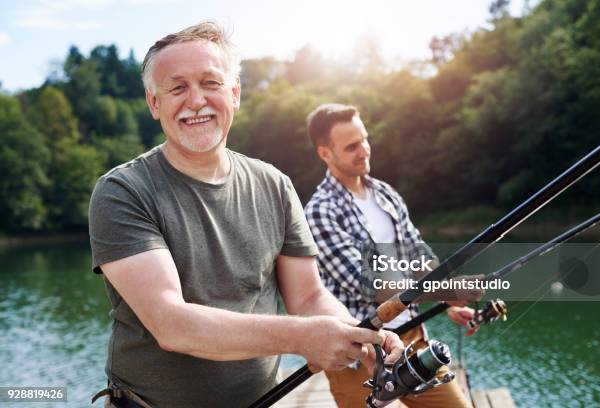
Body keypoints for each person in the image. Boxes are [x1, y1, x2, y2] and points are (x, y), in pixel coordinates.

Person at [88, 23, 403, 408]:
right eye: (177, 87)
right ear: (154, 104)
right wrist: (304, 337)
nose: (196, 100)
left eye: (211, 83)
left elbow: (308, 296)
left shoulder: (275, 185)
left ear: (234, 93)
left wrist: (354, 332)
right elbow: (172, 325)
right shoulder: (122, 191)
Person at [304, 103, 483, 408]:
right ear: (325, 154)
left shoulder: (386, 194)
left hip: (411, 336)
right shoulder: (320, 212)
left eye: (364, 140)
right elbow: (369, 283)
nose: (363, 151)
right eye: (351, 147)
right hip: (357, 350)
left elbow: (418, 254)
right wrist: (448, 291)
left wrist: (446, 300)